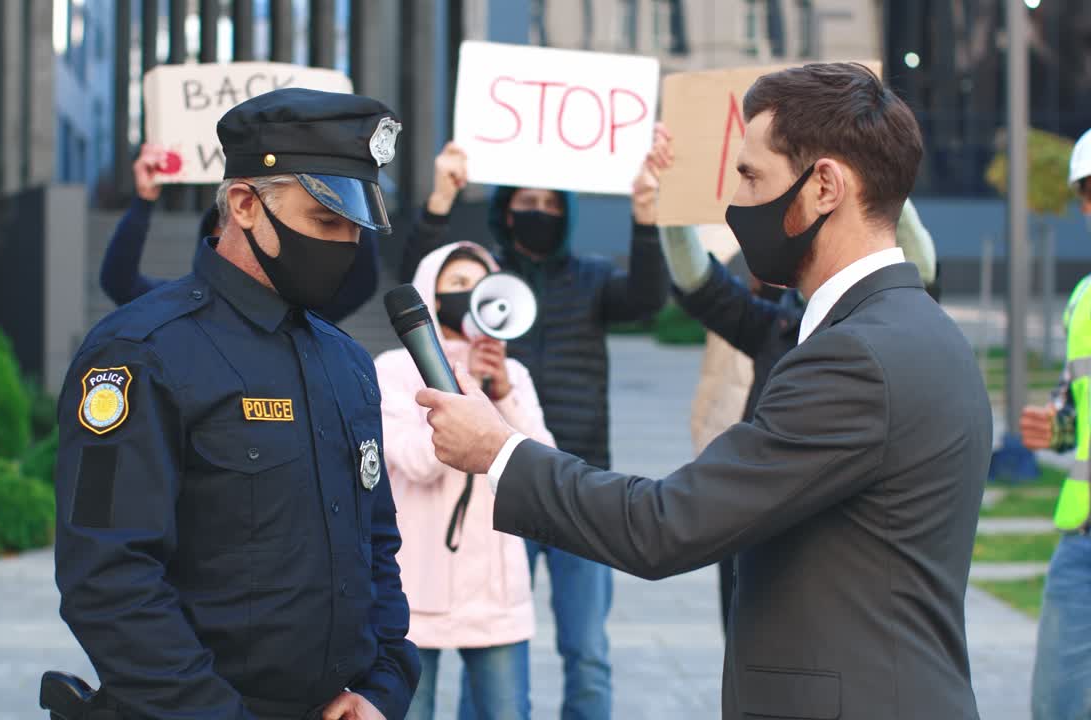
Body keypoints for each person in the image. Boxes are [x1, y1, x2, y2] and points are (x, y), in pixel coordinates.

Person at [416, 62, 993, 720]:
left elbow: (665, 526)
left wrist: (498, 450)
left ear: (825, 185)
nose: (736, 202)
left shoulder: (854, 355)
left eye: (751, 177)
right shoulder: (922, 329)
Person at [53, 88, 419, 720]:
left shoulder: (346, 361)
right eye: (326, 222)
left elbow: (376, 548)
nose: (346, 245)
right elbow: (109, 583)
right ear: (246, 205)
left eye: (354, 228)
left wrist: (383, 688)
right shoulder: (141, 353)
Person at [402, 127, 672, 720]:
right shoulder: (482, 279)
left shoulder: (594, 278)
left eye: (551, 206)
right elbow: (414, 281)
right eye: (526, 203)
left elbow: (650, 297)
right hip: (501, 490)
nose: (539, 214)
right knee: (488, 644)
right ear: (505, 209)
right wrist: (440, 199)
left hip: (581, 485)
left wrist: (647, 214)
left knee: (588, 652)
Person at [665, 200, 941, 636]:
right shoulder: (776, 328)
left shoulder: (887, 333)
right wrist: (672, 203)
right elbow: (698, 283)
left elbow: (922, 272)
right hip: (752, 537)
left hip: (837, 564)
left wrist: (888, 188)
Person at [374, 241, 555, 720]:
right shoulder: (392, 369)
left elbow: (543, 471)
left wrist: (503, 393)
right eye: (457, 285)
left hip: (494, 591)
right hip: (417, 585)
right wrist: (458, 391)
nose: (470, 294)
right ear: (432, 296)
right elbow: (416, 462)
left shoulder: (513, 373)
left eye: (479, 284)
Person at [99, 143, 380, 322]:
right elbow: (119, 280)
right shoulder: (177, 306)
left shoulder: (299, 315)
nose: (242, 237)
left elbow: (363, 282)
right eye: (227, 228)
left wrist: (349, 192)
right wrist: (144, 200)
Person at [1019, 126, 1091, 720]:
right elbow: (1074, 408)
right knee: (1055, 706)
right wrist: (1055, 427)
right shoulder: (1084, 299)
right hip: (1082, 546)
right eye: (1088, 193)